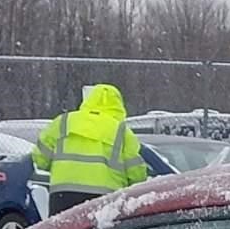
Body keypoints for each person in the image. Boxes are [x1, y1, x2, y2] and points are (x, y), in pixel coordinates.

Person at [29, 83, 149, 214]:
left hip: (63, 195)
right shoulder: (121, 131)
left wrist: (61, 169)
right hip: (105, 198)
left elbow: (40, 158)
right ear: (118, 106)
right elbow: (137, 173)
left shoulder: (63, 122)